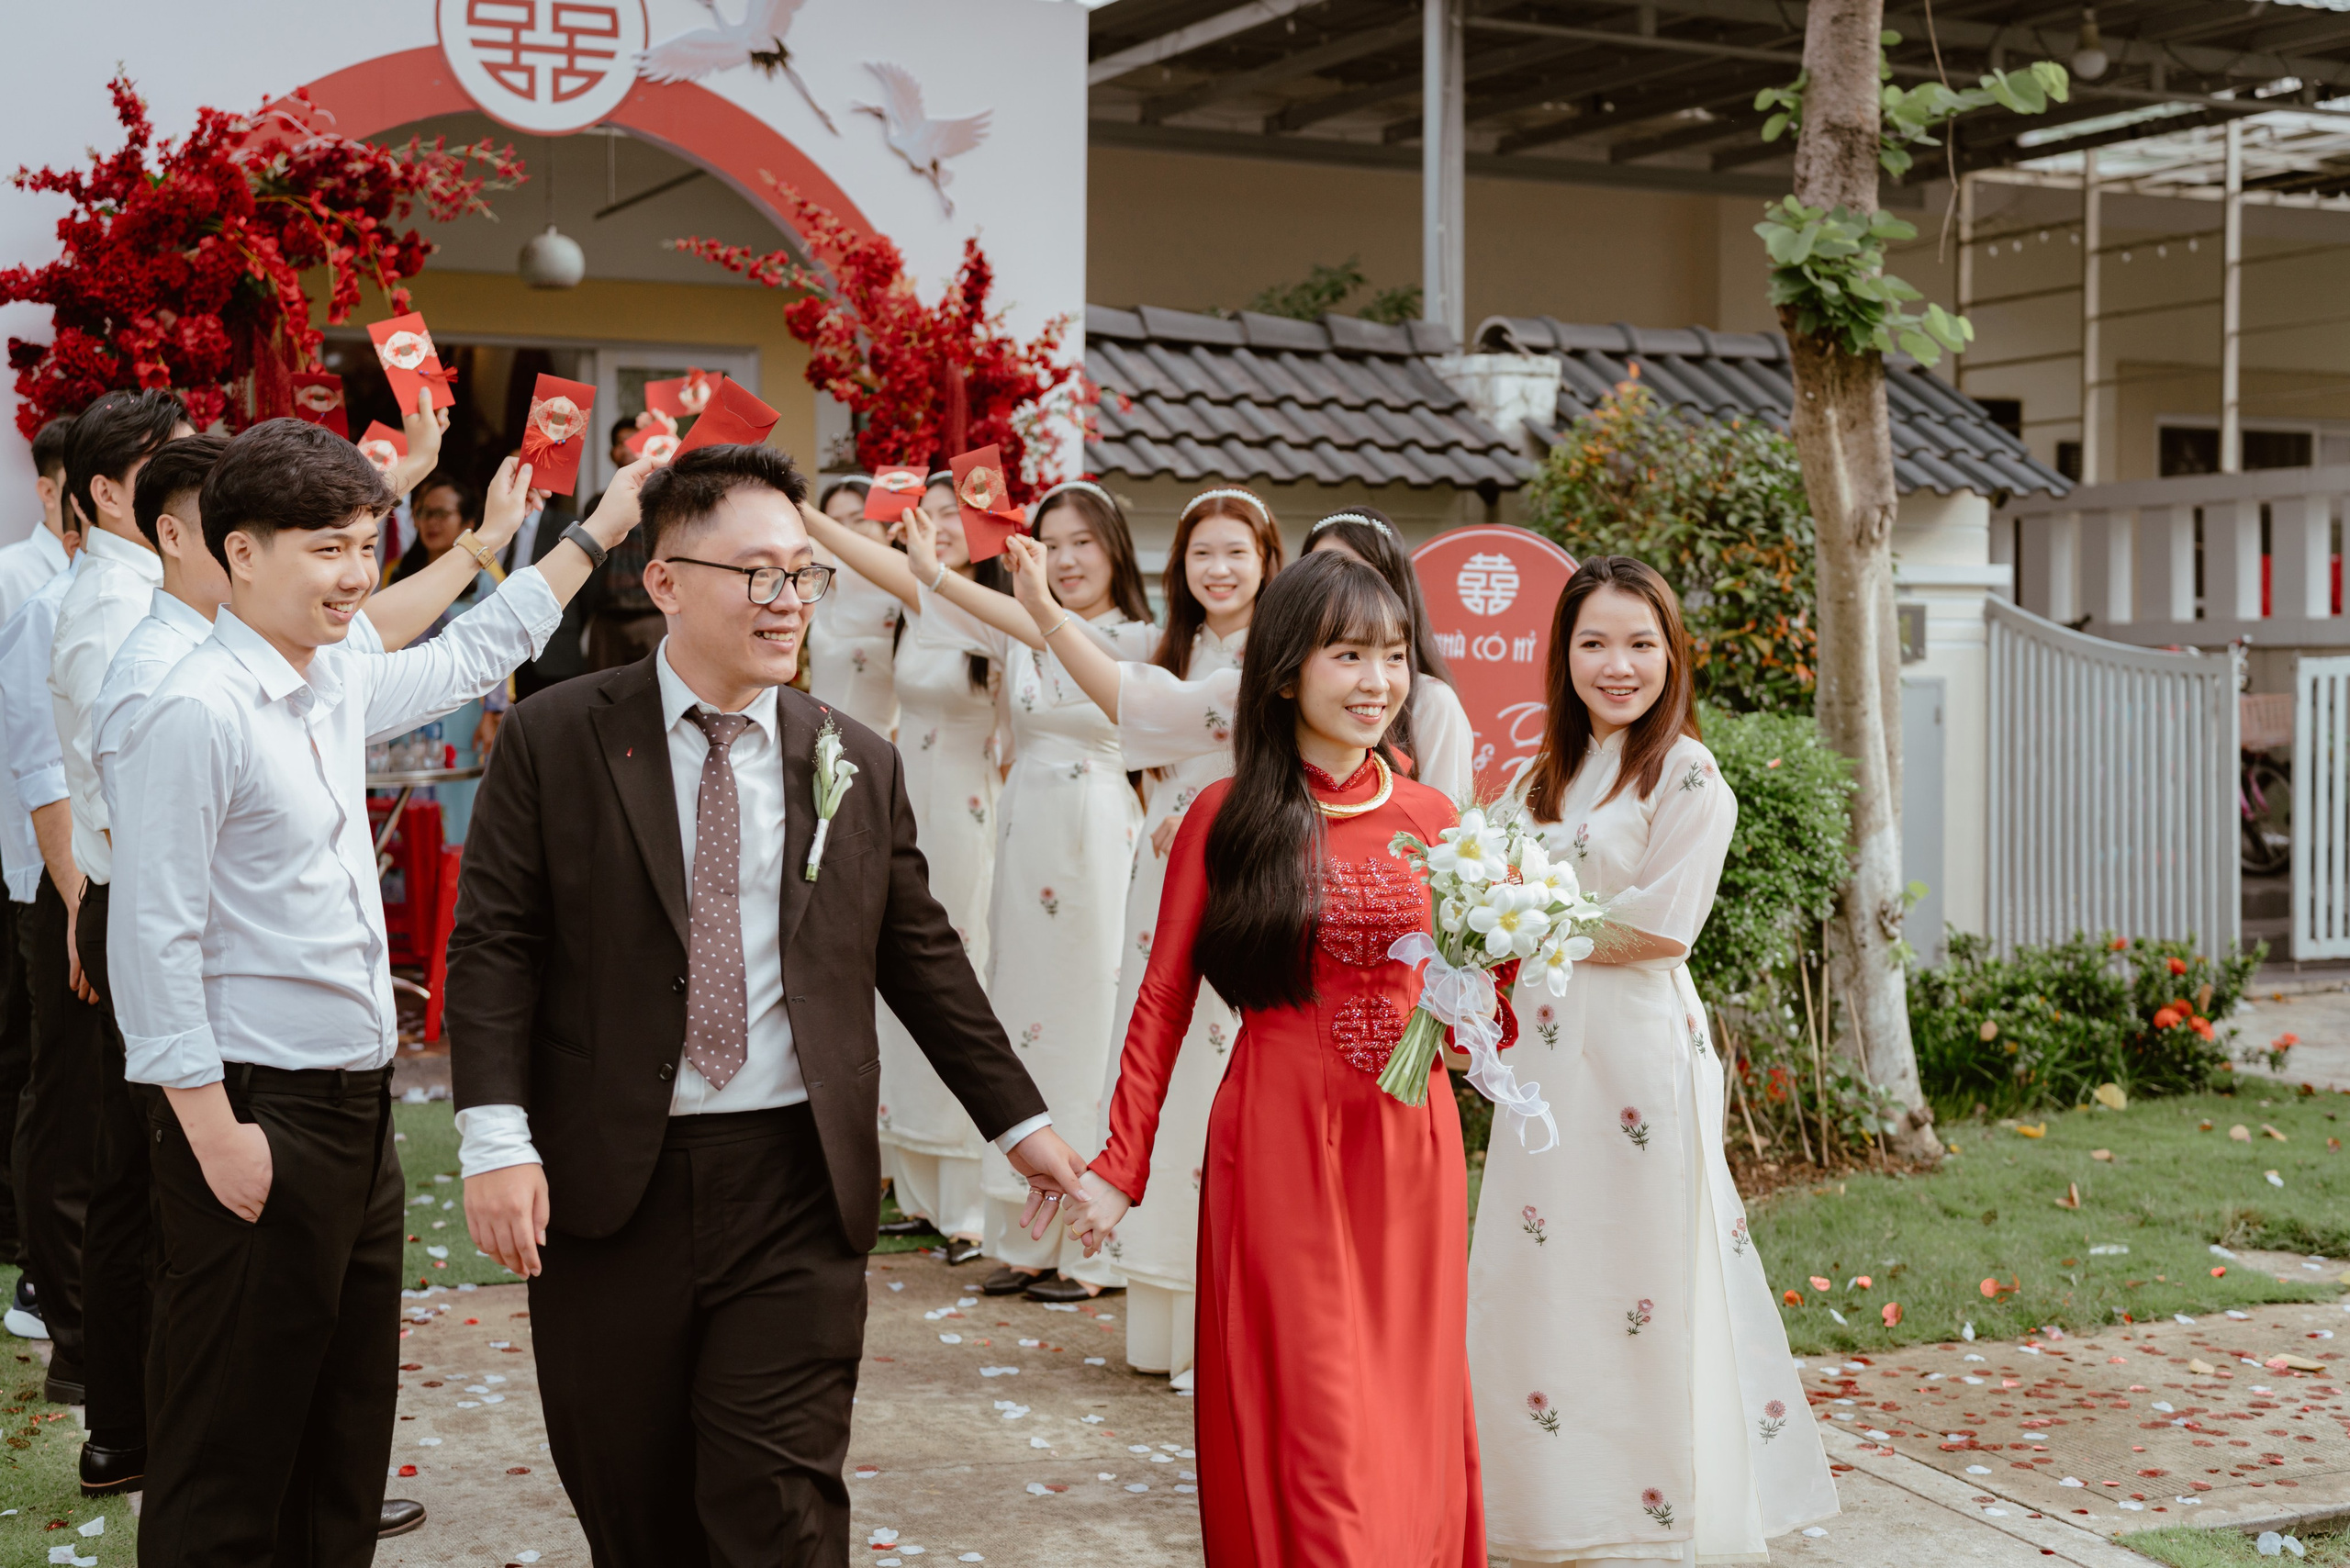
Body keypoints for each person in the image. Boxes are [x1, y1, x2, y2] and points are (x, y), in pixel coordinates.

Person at [446, 442, 1091, 1564]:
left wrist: (1020, 1124)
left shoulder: (856, 758)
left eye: (803, 574)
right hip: (612, 1188)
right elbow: (496, 944)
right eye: (757, 574)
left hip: (796, 1177)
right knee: (635, 1509)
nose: (787, 601)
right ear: (664, 580)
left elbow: (920, 956)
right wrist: (495, 1139)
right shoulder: (558, 737)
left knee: (776, 1506)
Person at [107, 417, 630, 1566]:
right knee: (229, 1443)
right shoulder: (194, 707)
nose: (356, 576)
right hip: (254, 1112)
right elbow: (152, 936)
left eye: (364, 545)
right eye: (327, 550)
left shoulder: (329, 676)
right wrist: (214, 1131)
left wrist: (591, 534)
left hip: (354, 1109)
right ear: (240, 554)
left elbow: (464, 655)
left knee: (341, 1430)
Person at [1064, 550, 1485, 1564]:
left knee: (1403, 1385)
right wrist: (1119, 1166)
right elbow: (1161, 1000)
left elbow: (1472, 1005)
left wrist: (1499, 980)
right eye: (1348, 654)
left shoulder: (1436, 820)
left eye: (1392, 655)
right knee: (1315, 1395)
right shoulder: (1224, 816)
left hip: (1410, 1142)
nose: (1377, 680)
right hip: (1279, 1134)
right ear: (1288, 670)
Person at [1466, 556, 1836, 1564]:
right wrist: (1476, 917)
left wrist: (1524, 916)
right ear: (1564, 655)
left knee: (1634, 1270)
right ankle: (1546, 1497)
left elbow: (1665, 928)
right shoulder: (1541, 773)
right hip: (1540, 1056)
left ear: (1672, 653)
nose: (1616, 664)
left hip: (1631, 1056)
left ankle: (1650, 1512)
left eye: (1639, 642)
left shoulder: (1687, 774)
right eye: (1593, 642)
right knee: (1542, 1263)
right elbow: (1478, 886)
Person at [809, 481, 1157, 1298]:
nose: (1068, 559)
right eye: (1053, 542)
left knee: (1088, 1026)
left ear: (1115, 550)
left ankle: (1096, 1247)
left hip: (1098, 844)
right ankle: (1028, 1235)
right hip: (1023, 835)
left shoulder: (1145, 637)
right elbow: (921, 583)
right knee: (1020, 1017)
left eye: (1085, 543)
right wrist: (807, 516)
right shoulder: (1027, 632)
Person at [1016, 487, 1281, 1373]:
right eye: (1200, 554)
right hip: (1157, 877)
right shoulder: (1183, 647)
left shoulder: (1273, 660)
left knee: (1210, 1071)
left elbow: (1268, 769)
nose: (1217, 569)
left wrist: (1219, 810)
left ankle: (1214, 1323)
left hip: (1234, 882)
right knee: (1154, 1061)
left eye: (1236, 553)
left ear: (1267, 562)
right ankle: (1164, 1307)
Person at [0, 389, 191, 1406]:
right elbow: (50, 776)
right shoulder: (67, 603)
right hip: (71, 885)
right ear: (106, 494)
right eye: (168, 463)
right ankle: (70, 1325)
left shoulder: (153, 592)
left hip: (103, 890)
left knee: (116, 1133)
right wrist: (82, 905)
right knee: (75, 1116)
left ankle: (98, 1351)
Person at [809, 469, 1002, 1257]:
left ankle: (969, 1201)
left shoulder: (977, 605)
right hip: (903, 793)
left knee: (955, 971)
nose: (944, 524)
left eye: (958, 513)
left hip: (964, 807)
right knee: (893, 980)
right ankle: (920, 1187)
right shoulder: (917, 603)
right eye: (933, 512)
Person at [0, 413, 77, 1344]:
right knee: (35, 1065)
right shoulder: (23, 583)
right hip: (32, 856)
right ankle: (33, 1267)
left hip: (62, 859)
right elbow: (34, 749)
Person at [1301, 508, 1475, 801]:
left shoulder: (1431, 702)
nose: (1342, 588)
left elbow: (1448, 832)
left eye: (1361, 574)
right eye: (1322, 573)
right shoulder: (1283, 687)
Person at [800, 476, 901, 734]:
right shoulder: (824, 576)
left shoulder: (908, 586)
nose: (845, 534)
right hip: (817, 735)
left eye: (859, 519)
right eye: (834, 525)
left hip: (879, 740)